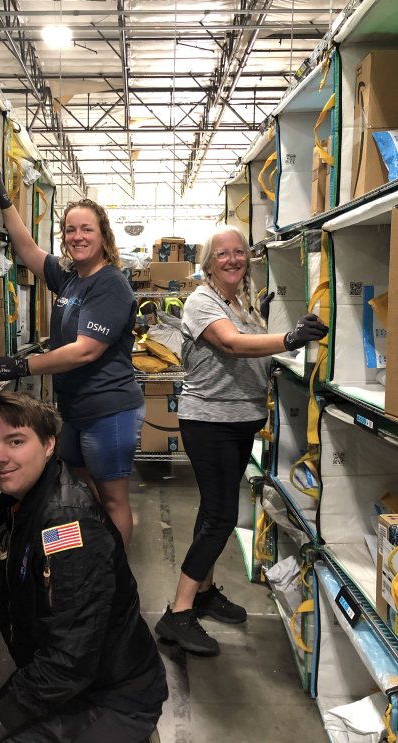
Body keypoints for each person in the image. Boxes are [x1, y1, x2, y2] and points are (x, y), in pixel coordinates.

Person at [0, 391, 167, 743]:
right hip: (67, 680)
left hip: (111, 696)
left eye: (15, 441)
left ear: (49, 444)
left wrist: (1, 719)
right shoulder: (14, 506)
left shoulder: (67, 528)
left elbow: (71, 658)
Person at [155, 225, 328, 655]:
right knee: (220, 519)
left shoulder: (239, 300)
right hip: (210, 423)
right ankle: (177, 614)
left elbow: (247, 341)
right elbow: (231, 345)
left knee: (213, 513)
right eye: (222, 254)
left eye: (239, 253)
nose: (232, 259)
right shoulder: (201, 301)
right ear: (208, 262)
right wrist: (288, 339)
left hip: (238, 422)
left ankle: (204, 593)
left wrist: (262, 320)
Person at [0, 164, 144, 547]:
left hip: (110, 411)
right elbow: (26, 249)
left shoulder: (111, 284)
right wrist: (5, 199)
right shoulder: (70, 278)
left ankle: (115, 579)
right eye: (71, 230)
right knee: (80, 492)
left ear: (104, 236)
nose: (77, 236)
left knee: (112, 497)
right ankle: (87, 562)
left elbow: (85, 351)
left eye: (87, 229)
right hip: (72, 410)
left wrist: (22, 364)